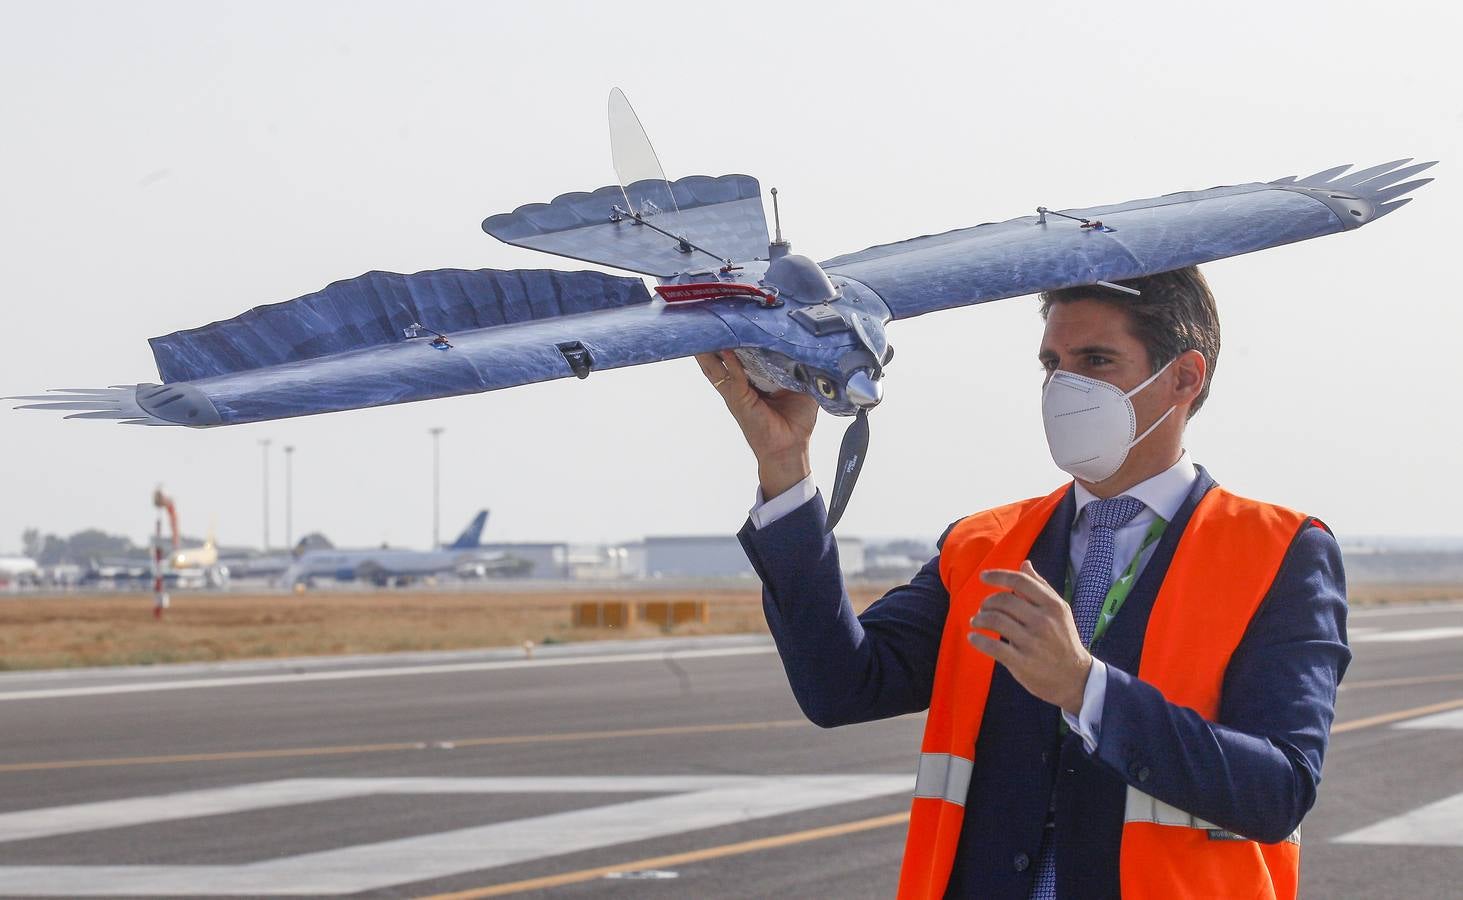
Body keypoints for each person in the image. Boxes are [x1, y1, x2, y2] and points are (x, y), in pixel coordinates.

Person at [695, 267, 1349, 900]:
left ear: (1182, 377)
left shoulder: (1279, 552)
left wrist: (1085, 690)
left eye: (1095, 360)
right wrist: (784, 466)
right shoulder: (983, 544)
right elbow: (842, 687)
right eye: (1051, 363)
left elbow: (1278, 790)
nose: (1063, 386)